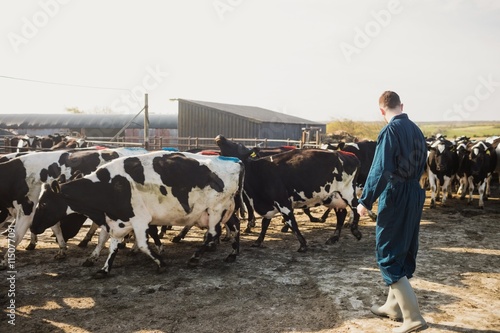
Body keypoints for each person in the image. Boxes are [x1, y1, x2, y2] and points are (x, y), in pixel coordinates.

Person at [357, 91, 428, 333]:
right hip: (415, 193)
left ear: (381, 110)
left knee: (387, 252)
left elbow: (381, 169)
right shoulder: (417, 130)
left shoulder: (390, 131)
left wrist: (365, 201)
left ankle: (413, 317)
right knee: (404, 248)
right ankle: (393, 306)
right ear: (402, 106)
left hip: (396, 193)